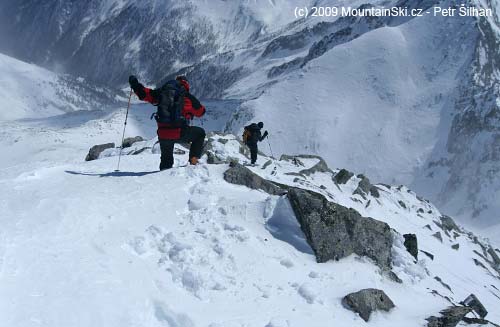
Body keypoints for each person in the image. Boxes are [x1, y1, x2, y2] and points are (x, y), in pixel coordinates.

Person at [128, 75, 206, 170]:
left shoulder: (161, 93)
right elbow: (201, 112)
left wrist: (135, 84)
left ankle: (163, 178)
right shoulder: (187, 97)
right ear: (186, 85)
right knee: (200, 133)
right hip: (180, 132)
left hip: (163, 133)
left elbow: (144, 94)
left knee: (166, 160)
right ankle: (194, 162)